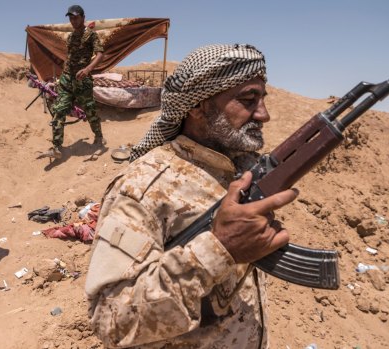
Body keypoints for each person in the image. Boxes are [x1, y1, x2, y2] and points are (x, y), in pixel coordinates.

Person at [85, 44, 299, 348]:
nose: (263, 115)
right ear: (197, 106)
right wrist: (218, 249)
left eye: (262, 99)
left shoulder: (234, 172)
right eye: (248, 100)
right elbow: (112, 321)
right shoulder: (144, 185)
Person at [46, 4, 105, 158]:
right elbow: (70, 57)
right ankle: (56, 147)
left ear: (83, 18)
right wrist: (63, 75)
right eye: (71, 18)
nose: (73, 20)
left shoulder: (91, 35)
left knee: (90, 110)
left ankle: (98, 136)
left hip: (82, 80)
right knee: (59, 110)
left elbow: (100, 54)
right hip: (67, 79)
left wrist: (87, 70)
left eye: (76, 17)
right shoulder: (70, 37)